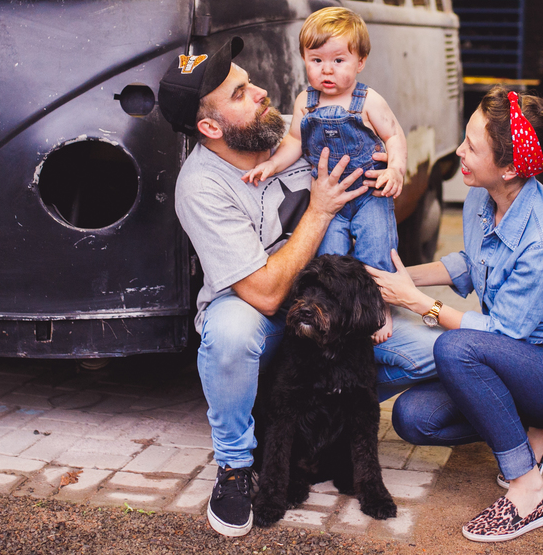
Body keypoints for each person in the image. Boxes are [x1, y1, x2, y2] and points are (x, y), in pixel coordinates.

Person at [158, 37, 440, 538]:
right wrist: (320, 209)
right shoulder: (202, 186)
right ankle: (235, 465)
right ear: (211, 127)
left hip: (333, 313)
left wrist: (385, 169)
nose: (261, 92)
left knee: (436, 353)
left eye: (250, 82)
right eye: (241, 93)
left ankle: (329, 411)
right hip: (259, 312)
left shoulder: (306, 127)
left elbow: (375, 166)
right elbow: (265, 294)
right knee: (229, 335)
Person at [366, 87, 543, 543]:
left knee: (455, 348)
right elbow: (472, 262)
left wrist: (419, 304)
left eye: (471, 146)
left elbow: (504, 332)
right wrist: (398, 280)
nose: (459, 151)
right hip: (518, 361)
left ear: (510, 168)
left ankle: (528, 490)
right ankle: (537, 428)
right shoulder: (484, 198)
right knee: (413, 417)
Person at [242, 7, 407, 342]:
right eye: (316, 60)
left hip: (370, 195)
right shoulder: (306, 101)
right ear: (304, 59)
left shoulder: (368, 101)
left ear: (360, 62)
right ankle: (335, 314)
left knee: (376, 252)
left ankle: (381, 308)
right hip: (330, 203)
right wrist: (273, 164)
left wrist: (395, 168)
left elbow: (394, 136)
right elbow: (294, 140)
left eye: (338, 60)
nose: (327, 69)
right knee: (329, 259)